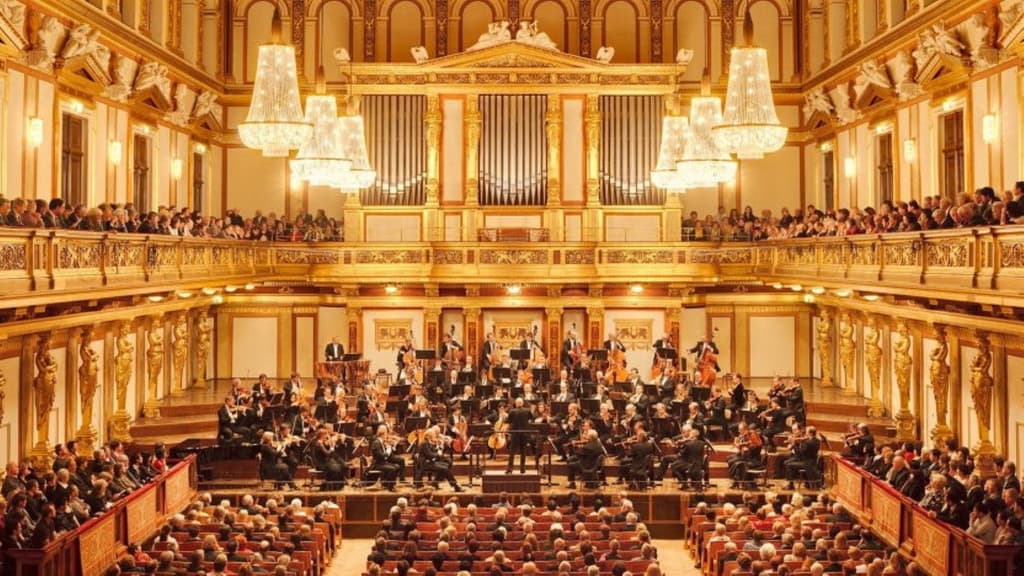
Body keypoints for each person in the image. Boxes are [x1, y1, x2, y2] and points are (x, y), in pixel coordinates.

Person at [371, 425, 405, 491]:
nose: (386, 436)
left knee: (397, 466)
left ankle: (390, 484)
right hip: (377, 464)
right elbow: (380, 455)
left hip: (382, 462)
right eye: (386, 434)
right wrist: (388, 451)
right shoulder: (376, 443)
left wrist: (390, 447)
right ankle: (390, 487)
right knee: (393, 468)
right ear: (382, 434)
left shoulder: (380, 442)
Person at [506, 397, 533, 474]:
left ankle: (510, 469)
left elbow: (508, 421)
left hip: (515, 434)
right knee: (523, 451)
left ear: (516, 403)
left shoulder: (512, 411)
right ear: (523, 403)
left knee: (512, 452)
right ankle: (522, 469)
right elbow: (531, 418)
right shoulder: (527, 410)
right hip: (524, 433)